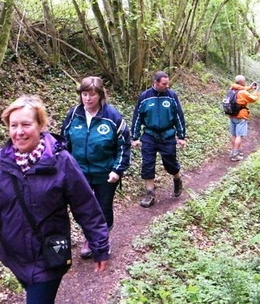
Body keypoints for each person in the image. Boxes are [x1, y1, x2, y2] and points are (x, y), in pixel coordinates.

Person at [0, 95, 110, 304]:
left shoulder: (61, 161)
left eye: (26, 124)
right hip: (15, 256)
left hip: (50, 256)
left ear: (40, 125)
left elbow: (85, 205)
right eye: (13, 125)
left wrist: (99, 246)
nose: (19, 132)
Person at [60, 76, 131, 259]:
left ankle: (102, 240)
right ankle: (89, 237)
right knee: (83, 207)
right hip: (79, 173)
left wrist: (118, 169)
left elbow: (123, 144)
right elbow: (63, 143)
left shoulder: (112, 116)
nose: (88, 99)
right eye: (84, 94)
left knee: (102, 207)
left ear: (100, 95)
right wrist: (63, 167)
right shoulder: (74, 114)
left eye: (92, 95)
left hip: (105, 173)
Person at [131, 70, 187, 208]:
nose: (167, 86)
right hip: (149, 135)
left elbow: (178, 116)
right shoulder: (144, 97)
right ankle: (150, 193)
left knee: (170, 163)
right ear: (155, 83)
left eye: (168, 83)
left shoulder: (171, 96)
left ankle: (177, 178)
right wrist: (135, 137)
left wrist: (181, 136)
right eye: (164, 84)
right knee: (148, 163)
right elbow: (137, 118)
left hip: (167, 135)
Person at [228, 74, 260, 161]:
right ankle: (235, 155)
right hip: (241, 116)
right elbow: (253, 99)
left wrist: (249, 87)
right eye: (244, 81)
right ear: (242, 82)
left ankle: (234, 151)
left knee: (233, 135)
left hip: (232, 115)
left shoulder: (232, 89)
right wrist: (256, 91)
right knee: (239, 135)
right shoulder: (243, 93)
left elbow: (241, 89)